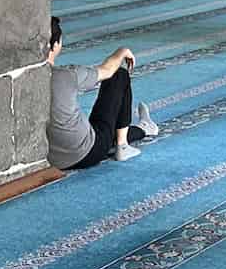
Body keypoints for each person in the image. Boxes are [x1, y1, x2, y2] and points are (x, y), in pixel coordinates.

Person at [44, 18, 158, 170]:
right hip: (86, 152)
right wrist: (122, 51)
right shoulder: (66, 75)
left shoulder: (21, 79)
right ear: (56, 44)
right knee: (119, 75)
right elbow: (108, 70)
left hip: (47, 158)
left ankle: (144, 128)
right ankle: (125, 144)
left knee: (96, 130)